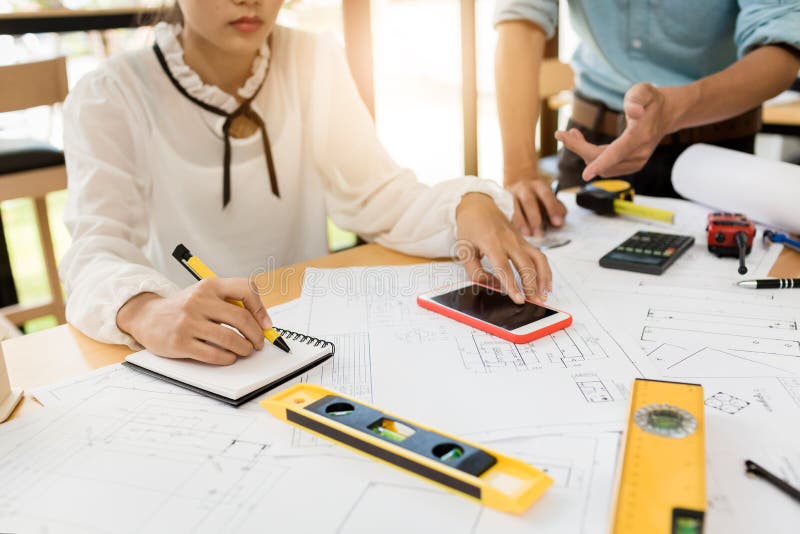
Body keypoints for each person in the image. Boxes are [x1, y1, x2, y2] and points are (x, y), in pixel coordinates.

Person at [60, 0, 552, 365]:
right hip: (193, 356)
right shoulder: (110, 94)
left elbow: (374, 194)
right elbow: (94, 251)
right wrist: (145, 310)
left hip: (305, 343)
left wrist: (464, 204)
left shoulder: (311, 57)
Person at [494, 1, 800, 237]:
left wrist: (676, 108)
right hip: (591, 145)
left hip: (717, 155)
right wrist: (519, 172)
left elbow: (781, 48)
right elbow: (520, 20)